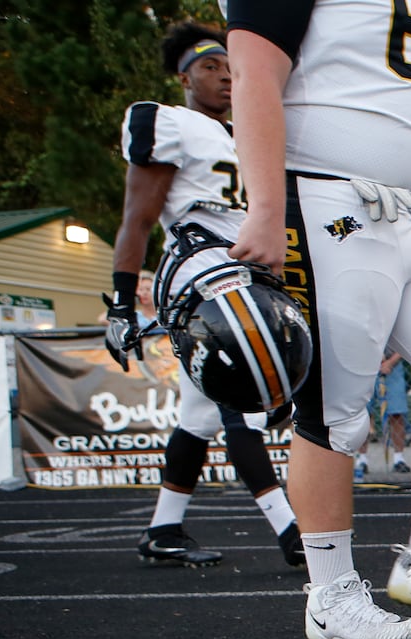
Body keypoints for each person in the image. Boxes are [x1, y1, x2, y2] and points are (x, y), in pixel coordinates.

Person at [224, 0, 411, 639]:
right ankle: (331, 595)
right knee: (335, 412)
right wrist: (265, 205)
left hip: (404, 212)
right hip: (323, 202)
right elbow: (254, 71)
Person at [103, 21, 303, 570]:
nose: (223, 78)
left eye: (229, 68)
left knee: (199, 417)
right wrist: (122, 302)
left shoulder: (250, 130)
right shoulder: (170, 124)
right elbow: (137, 219)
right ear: (183, 75)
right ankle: (292, 534)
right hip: (205, 277)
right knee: (243, 408)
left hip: (249, 274)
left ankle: (163, 529)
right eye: (209, 67)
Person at [354, 347, 410, 482]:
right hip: (363, 366)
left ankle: (399, 458)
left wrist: (390, 362)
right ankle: (362, 459)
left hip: (392, 365)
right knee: (363, 413)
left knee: (397, 413)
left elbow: (403, 344)